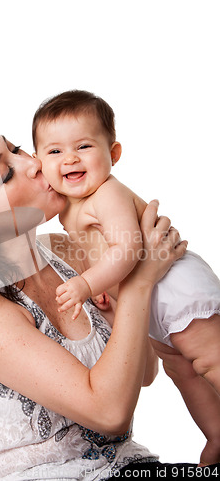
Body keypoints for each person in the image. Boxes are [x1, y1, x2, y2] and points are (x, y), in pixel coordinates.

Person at [0, 119, 212, 481]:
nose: (33, 162)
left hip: (125, 469)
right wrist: (140, 279)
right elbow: (109, 412)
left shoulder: (65, 253)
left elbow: (144, 373)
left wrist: (133, 267)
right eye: (6, 173)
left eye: (15, 148)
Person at [33, 89, 220, 467]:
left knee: (211, 360)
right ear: (39, 163)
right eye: (54, 151)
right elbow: (101, 254)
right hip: (149, 302)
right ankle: (216, 434)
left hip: (172, 287)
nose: (69, 158)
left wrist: (88, 284)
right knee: (181, 371)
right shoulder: (68, 208)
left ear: (113, 154)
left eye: (83, 146)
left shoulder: (107, 193)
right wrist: (105, 288)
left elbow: (130, 248)